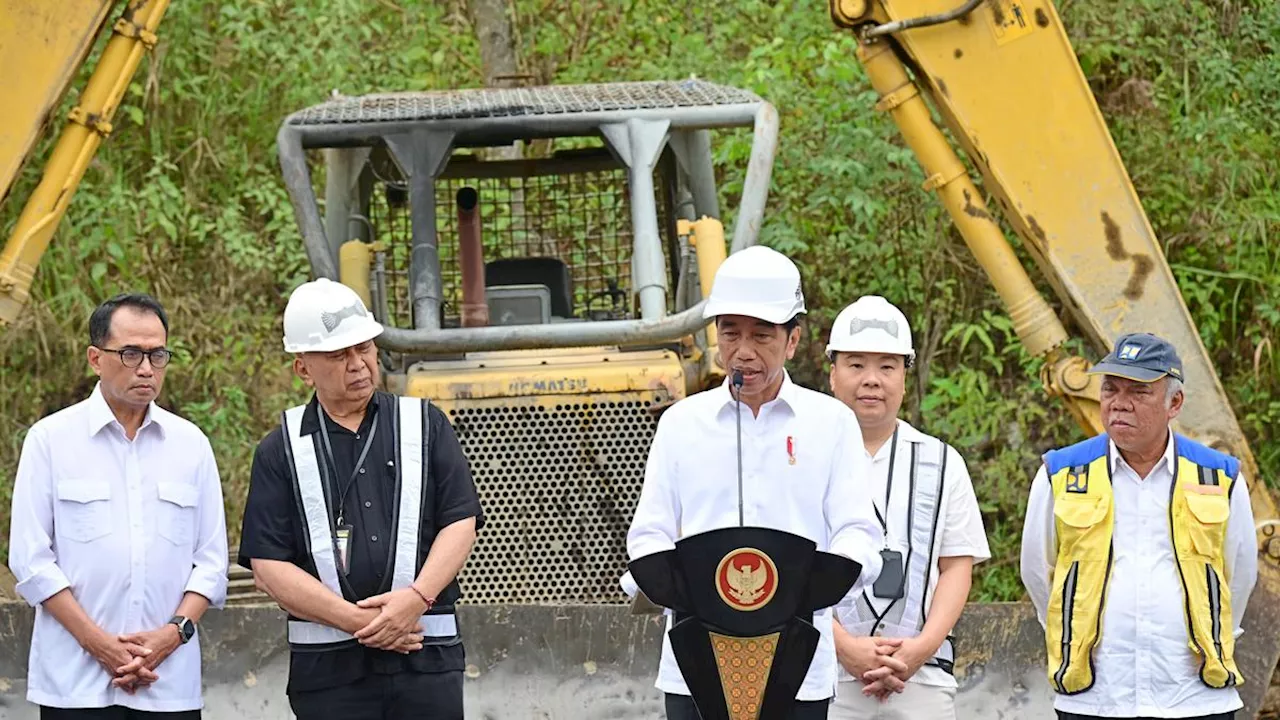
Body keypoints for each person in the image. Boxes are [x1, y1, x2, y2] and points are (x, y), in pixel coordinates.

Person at [625, 245, 883, 720]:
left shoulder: (831, 423)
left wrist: (824, 582)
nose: (743, 351)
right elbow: (649, 532)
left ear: (792, 341)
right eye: (730, 334)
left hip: (799, 662)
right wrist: (667, 583)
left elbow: (857, 531)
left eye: (762, 335)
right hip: (694, 663)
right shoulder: (681, 424)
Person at [237, 277, 484, 720]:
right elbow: (269, 566)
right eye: (338, 355)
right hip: (331, 674)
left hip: (425, 658)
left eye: (364, 349)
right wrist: (365, 624)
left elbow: (460, 521)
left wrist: (415, 599)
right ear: (303, 369)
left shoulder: (425, 425)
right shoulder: (280, 450)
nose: (358, 364)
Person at [7, 293, 229, 719]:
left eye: (157, 354)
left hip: (168, 682)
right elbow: (31, 560)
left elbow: (211, 562)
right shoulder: (51, 440)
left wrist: (172, 634)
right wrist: (98, 644)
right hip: (75, 684)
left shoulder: (191, 446)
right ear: (95, 358)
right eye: (131, 354)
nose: (146, 368)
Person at [1020, 332, 1258, 720]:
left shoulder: (1219, 476)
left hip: (1195, 695)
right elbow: (1037, 571)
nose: (1119, 404)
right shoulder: (1062, 473)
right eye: (1111, 389)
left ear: (1174, 402)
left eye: (1139, 392)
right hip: (1095, 695)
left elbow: (1240, 574)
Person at [823, 296, 990, 719]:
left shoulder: (941, 461)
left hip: (921, 677)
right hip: (825, 673)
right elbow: (789, 564)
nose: (871, 380)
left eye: (887, 366)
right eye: (856, 364)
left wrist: (919, 649)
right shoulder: (804, 456)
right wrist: (844, 647)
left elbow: (956, 565)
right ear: (832, 373)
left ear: (904, 375)